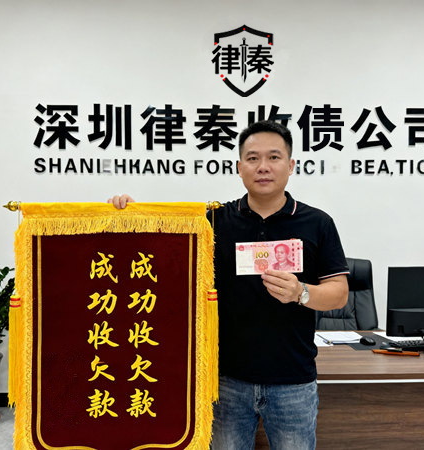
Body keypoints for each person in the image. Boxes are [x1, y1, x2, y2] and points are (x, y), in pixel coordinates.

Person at [109, 120, 349, 450]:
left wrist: (301, 292)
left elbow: (338, 293)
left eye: (274, 157)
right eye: (252, 158)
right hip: (226, 381)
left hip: (293, 381)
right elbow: (162, 259)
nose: (263, 167)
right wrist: (129, 217)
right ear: (239, 167)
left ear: (291, 165)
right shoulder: (214, 221)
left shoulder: (317, 223)